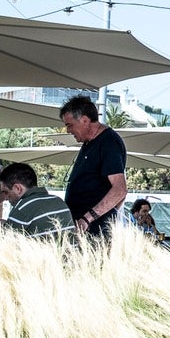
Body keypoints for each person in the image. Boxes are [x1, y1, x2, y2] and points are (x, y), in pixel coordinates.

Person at [60, 95, 128, 237]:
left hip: (93, 230)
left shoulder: (108, 142)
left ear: (85, 120)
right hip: (81, 227)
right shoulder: (89, 142)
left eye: (69, 125)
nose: (68, 131)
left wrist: (88, 218)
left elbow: (120, 190)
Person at [0, 162, 75, 238]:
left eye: (6, 192)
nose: (5, 198)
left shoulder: (22, 208)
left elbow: (6, 244)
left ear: (18, 188)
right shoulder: (59, 202)